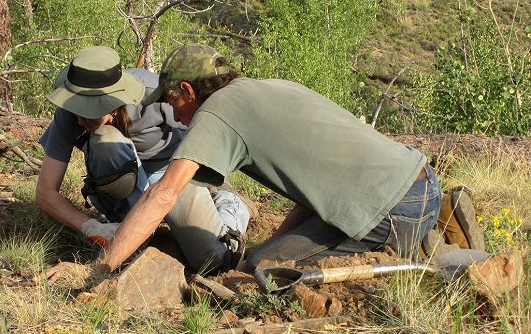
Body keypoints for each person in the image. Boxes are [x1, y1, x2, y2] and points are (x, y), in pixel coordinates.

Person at [92, 43, 443, 274]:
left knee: (262, 272)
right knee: (263, 258)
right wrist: (278, 243)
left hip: (389, 212)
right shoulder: (275, 86)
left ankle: (417, 250)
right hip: (421, 180)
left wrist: (103, 269)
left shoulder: (215, 113)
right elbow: (313, 191)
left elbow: (164, 194)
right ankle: (440, 222)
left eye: (171, 102)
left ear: (187, 90)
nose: (172, 113)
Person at [35, 46, 251, 276]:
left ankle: (230, 207)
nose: (80, 118)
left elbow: (206, 136)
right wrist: (91, 226)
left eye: (89, 110)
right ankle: (135, 235)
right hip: (122, 188)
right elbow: (45, 192)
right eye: (77, 107)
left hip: (170, 175)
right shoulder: (68, 112)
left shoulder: (156, 95)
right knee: (105, 140)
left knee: (213, 262)